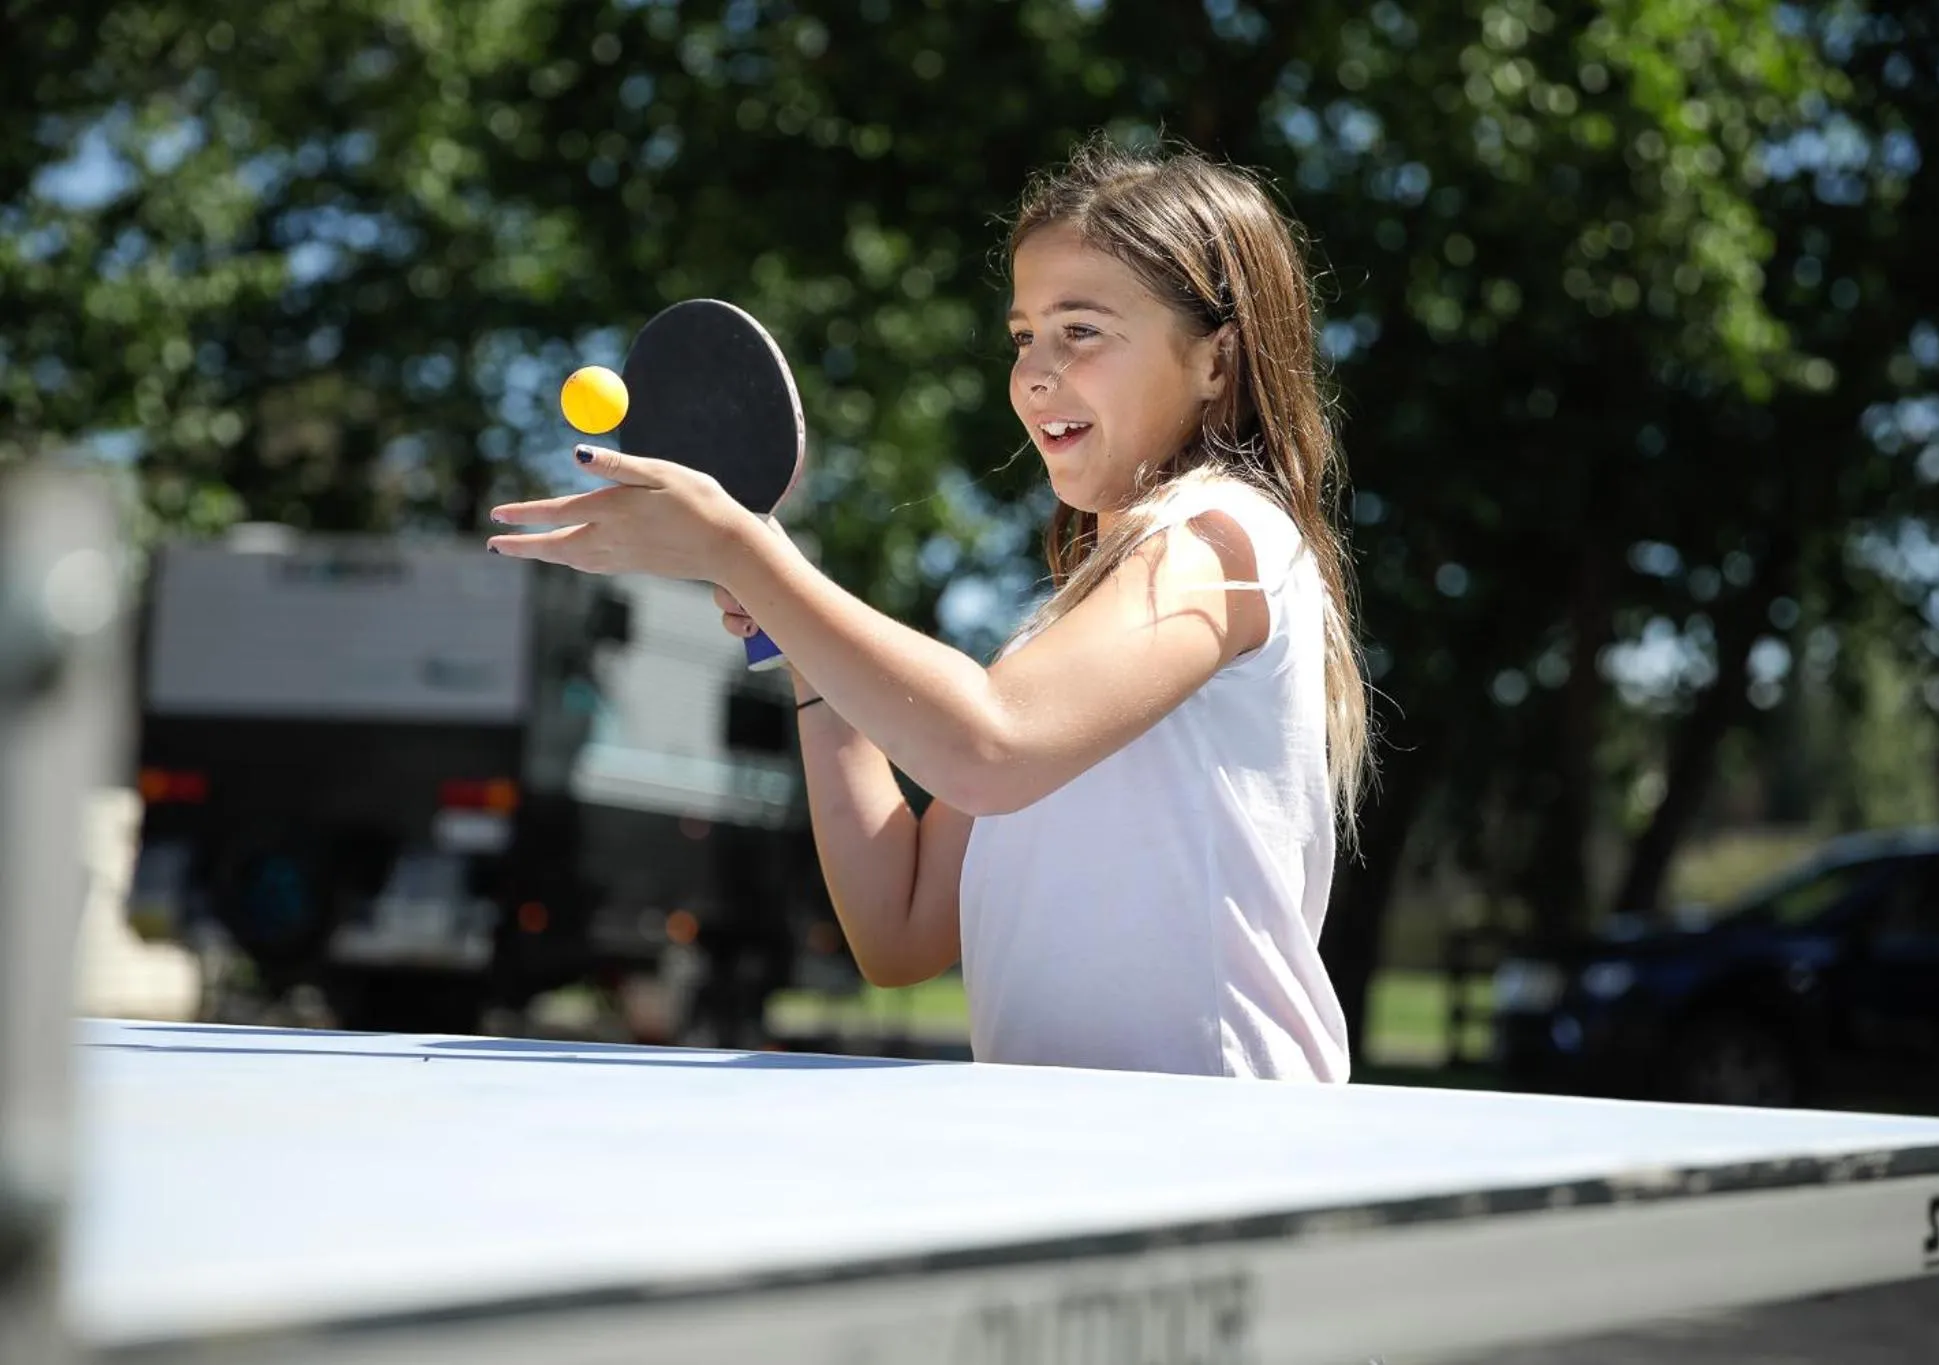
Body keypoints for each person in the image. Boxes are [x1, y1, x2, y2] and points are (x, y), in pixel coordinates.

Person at [487, 135, 1376, 1082]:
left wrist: (744, 549)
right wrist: (799, 652)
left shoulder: (1222, 545)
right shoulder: (1065, 633)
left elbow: (987, 745)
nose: (1036, 373)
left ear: (1215, 359)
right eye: (1024, 334)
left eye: (1082, 331)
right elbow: (900, 924)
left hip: (1216, 1155)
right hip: (1080, 1160)